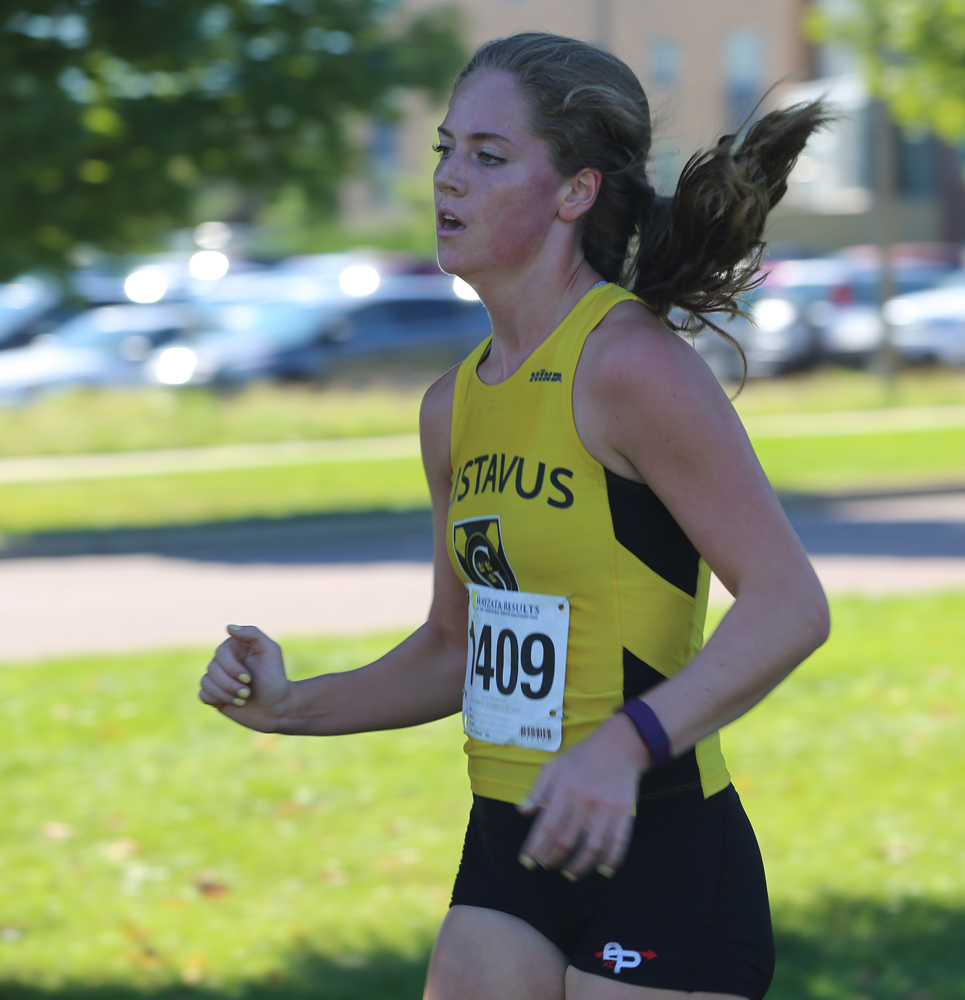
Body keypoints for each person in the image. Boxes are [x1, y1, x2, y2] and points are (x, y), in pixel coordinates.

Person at [196, 32, 831, 1000]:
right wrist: (290, 706)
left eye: (490, 158)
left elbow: (790, 604)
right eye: (447, 149)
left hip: (655, 850)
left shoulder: (627, 365)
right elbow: (456, 646)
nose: (450, 179)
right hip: (507, 846)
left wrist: (622, 745)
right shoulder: (453, 405)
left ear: (574, 192)